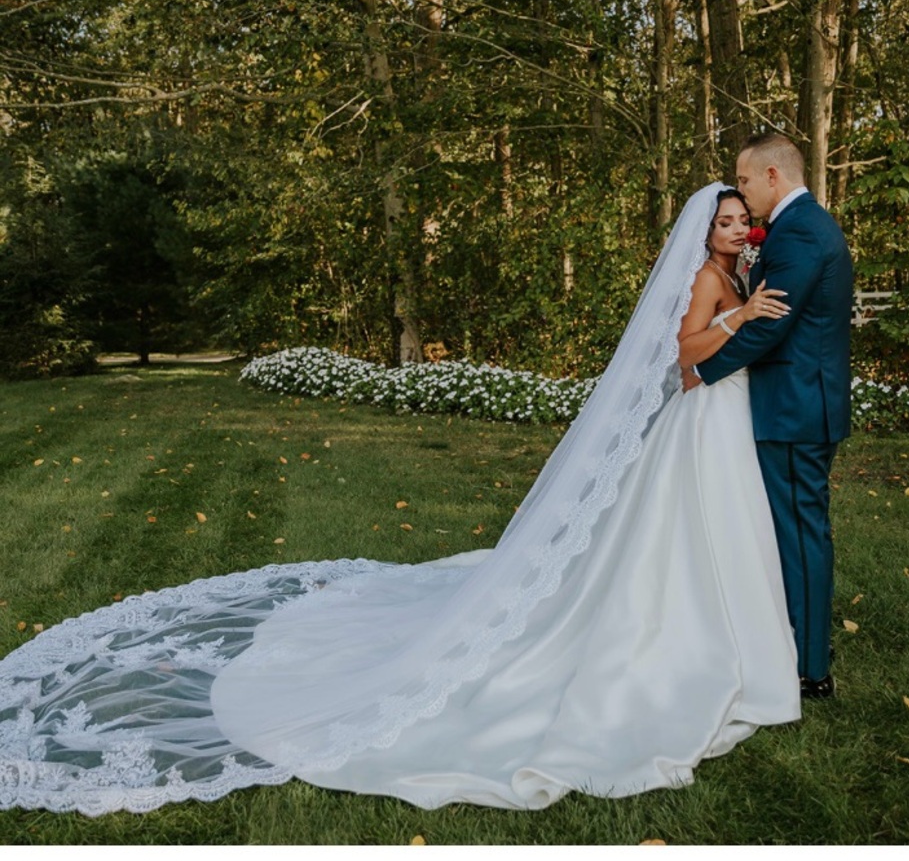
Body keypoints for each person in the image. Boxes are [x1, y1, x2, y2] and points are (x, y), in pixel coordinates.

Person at [0, 182, 800, 816]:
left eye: (741, 220)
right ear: (704, 232)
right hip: (701, 418)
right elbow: (685, 357)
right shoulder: (707, 279)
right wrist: (736, 314)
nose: (737, 228)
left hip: (718, 423)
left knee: (706, 536)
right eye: (726, 221)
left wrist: (744, 300)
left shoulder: (735, 271)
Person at [691, 134, 853, 699]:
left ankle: (810, 667)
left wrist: (702, 374)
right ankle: (802, 636)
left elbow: (770, 324)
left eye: (746, 177)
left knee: (801, 532)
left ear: (772, 177)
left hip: (795, 408)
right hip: (803, 402)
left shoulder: (801, 230)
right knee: (792, 529)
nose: (742, 188)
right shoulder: (801, 227)